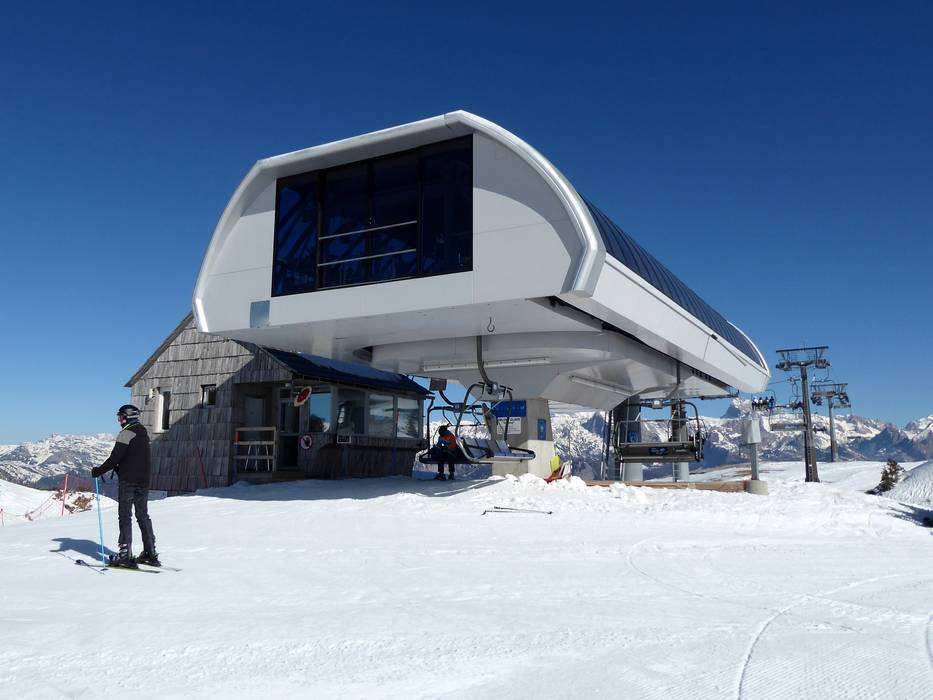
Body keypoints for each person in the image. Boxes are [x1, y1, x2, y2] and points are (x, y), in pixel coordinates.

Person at [90, 404, 159, 568]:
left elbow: (114, 458)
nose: (119, 420)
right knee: (142, 515)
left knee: (125, 516)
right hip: (144, 481)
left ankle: (125, 555)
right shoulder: (142, 432)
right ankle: (150, 552)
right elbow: (133, 457)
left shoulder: (126, 433)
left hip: (128, 481)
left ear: (127, 417)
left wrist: (98, 471)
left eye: (120, 416)